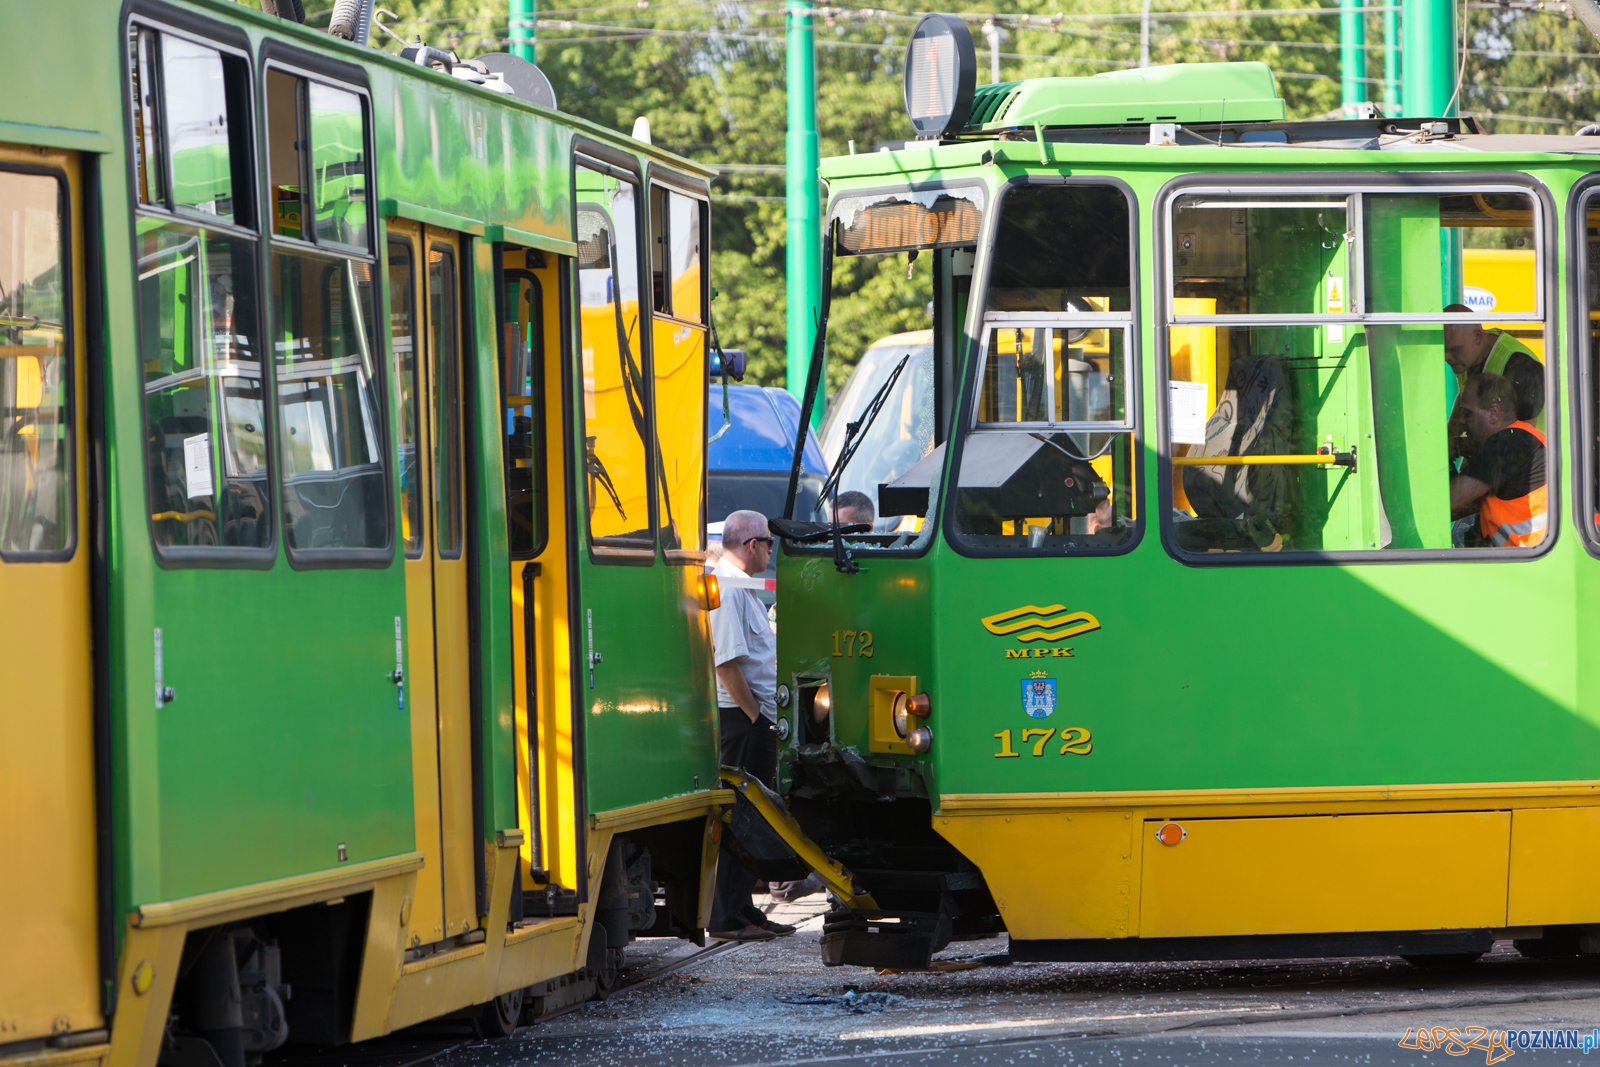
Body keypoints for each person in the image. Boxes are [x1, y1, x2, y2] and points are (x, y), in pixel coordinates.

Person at [707, 510, 796, 942]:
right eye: (768, 544)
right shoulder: (725, 586)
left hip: (752, 718)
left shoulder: (740, 586)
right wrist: (755, 717)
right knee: (742, 817)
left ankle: (743, 907)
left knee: (755, 819)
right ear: (751, 545)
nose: (770, 552)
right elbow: (726, 664)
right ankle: (725, 915)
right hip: (741, 719)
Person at [1449, 373, 1547, 548]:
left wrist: (1448, 454)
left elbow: (1451, 503)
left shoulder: (1507, 442)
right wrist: (1459, 445)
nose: (1462, 420)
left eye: (1468, 414)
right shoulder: (1521, 439)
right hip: (1539, 560)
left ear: (1493, 414)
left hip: (1537, 561)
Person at [1442, 304, 1544, 451]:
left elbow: (1521, 443)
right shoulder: (1470, 355)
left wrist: (1459, 445)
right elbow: (1464, 402)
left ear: (1477, 336)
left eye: (1455, 349)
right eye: (1444, 349)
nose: (1447, 357)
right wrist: (1447, 441)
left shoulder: (1519, 367)